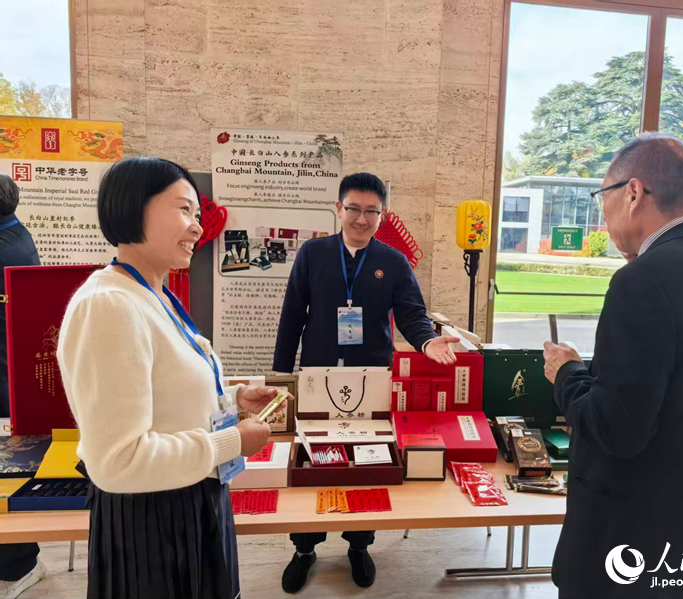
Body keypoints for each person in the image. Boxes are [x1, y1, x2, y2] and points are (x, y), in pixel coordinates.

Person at [543, 133, 683, 599]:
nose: (604, 221)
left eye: (604, 201)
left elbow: (618, 430)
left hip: (636, 546)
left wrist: (567, 374)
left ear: (633, 193)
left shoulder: (641, 281)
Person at [57, 157, 286, 599]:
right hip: (152, 524)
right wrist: (232, 442)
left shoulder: (152, 294)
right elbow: (118, 462)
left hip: (192, 499)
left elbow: (164, 391)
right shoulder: (109, 305)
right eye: (183, 209)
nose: (197, 228)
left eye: (197, 214)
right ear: (133, 207)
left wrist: (234, 397)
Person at [274, 172, 457, 593]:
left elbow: (411, 313)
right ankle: (304, 548)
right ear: (338, 208)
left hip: (372, 376)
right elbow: (292, 316)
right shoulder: (314, 253)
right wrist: (283, 377)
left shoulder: (393, 261)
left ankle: (359, 544)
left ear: (382, 214)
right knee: (313, 458)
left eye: (371, 211)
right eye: (353, 208)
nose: (361, 219)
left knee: (367, 461)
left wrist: (427, 341)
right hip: (317, 374)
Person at [0, 174, 47, 599]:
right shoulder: (13, 233)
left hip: (5, 380)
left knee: (7, 474)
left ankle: (20, 566)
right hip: (6, 374)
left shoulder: (8, 246)